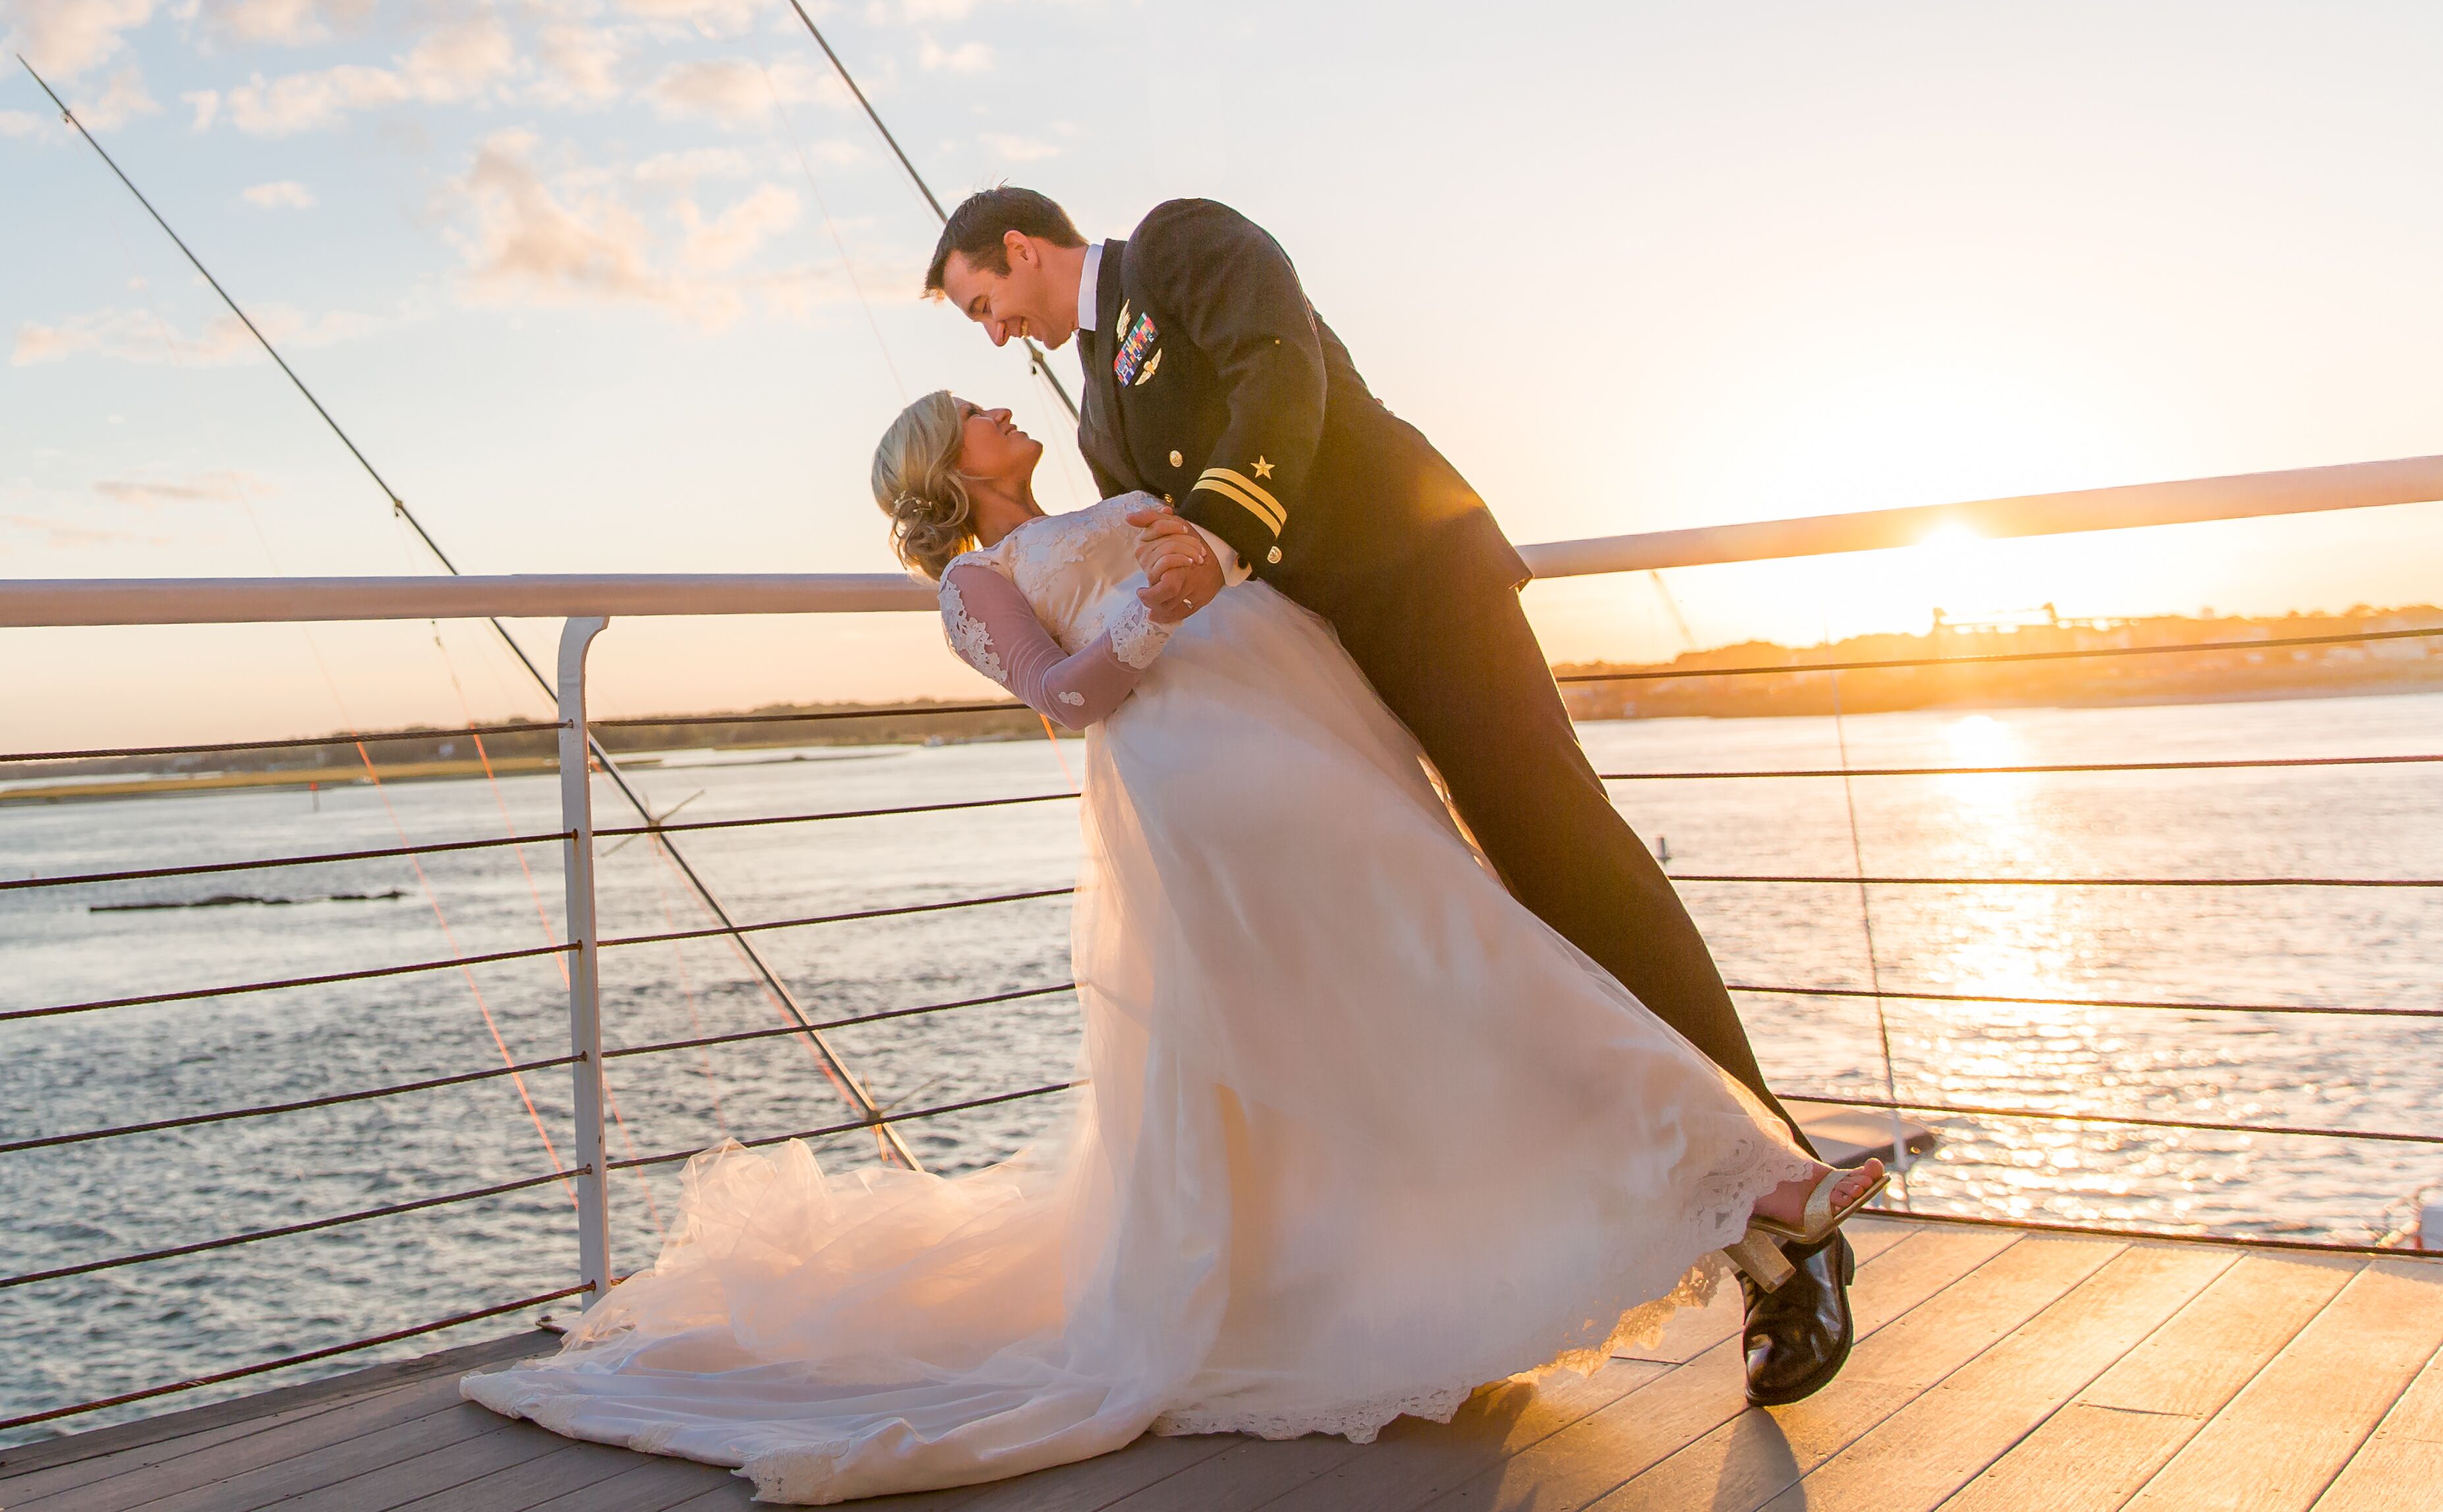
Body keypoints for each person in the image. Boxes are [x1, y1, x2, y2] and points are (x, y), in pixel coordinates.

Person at [461, 393, 1880, 1503]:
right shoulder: (977, 576)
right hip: (1219, 793)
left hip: (1309, 751)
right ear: (947, 466)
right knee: (1477, 964)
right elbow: (1059, 698)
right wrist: (1148, 605)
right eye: (975, 410)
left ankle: (1728, 1190)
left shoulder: (1090, 488)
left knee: (1453, 986)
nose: (1001, 411)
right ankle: (1763, 1184)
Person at [922, 185, 1856, 1401]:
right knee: (1464, 952)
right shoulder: (1097, 404)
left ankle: (1789, 1232)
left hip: (1418, 591)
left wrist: (1219, 526)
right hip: (1318, 677)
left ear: (1024, 247)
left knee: (1570, 873)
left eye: (985, 302)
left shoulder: (1178, 245)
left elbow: (1276, 370)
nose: (993, 333)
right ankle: (1530, 1242)